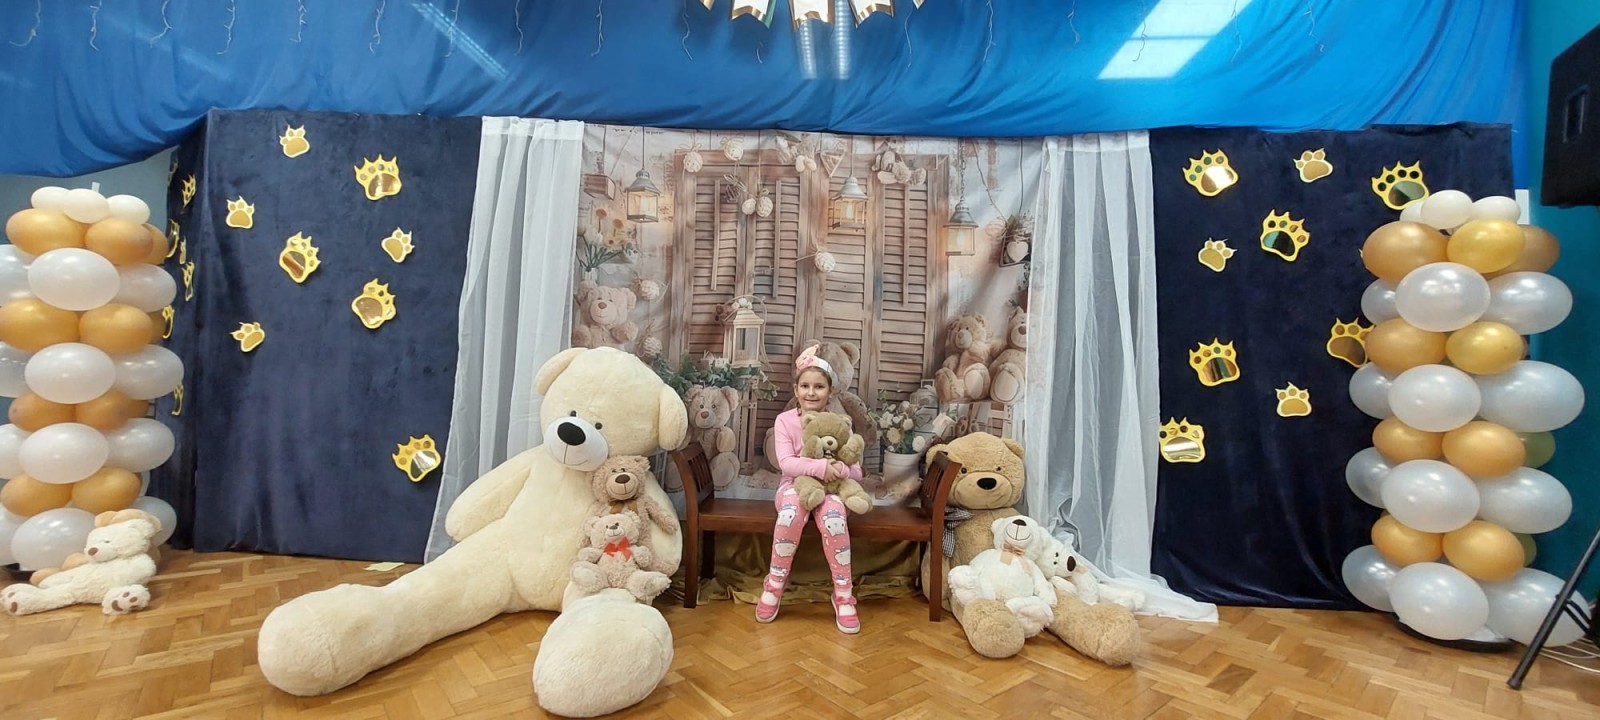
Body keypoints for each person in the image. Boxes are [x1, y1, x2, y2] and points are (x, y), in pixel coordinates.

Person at [756, 344, 865, 633]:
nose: (811, 392)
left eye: (819, 387)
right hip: (793, 486)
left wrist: (840, 469)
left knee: (834, 518)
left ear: (830, 391)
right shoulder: (784, 421)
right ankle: (774, 584)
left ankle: (843, 595)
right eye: (805, 386)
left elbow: (856, 469)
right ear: (796, 389)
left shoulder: (840, 423)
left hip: (832, 490)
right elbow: (786, 463)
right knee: (791, 513)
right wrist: (820, 467)